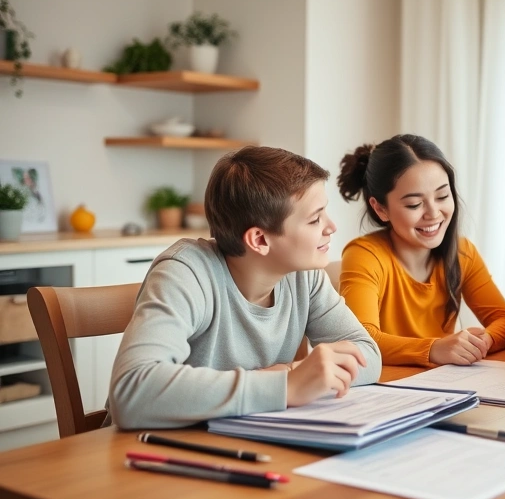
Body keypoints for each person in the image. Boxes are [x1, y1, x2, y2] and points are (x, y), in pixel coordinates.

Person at [107, 146, 382, 429]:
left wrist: (291, 373)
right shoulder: (185, 272)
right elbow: (133, 392)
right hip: (146, 452)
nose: (331, 227)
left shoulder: (303, 276)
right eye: (315, 219)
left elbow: (367, 355)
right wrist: (283, 385)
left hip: (239, 440)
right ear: (260, 240)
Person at [337, 134, 505, 367]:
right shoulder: (364, 255)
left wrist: (482, 343)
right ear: (380, 209)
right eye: (414, 204)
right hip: (390, 391)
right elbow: (362, 340)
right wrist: (433, 349)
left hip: (447, 386)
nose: (433, 213)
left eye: (442, 196)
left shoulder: (462, 252)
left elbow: (503, 318)